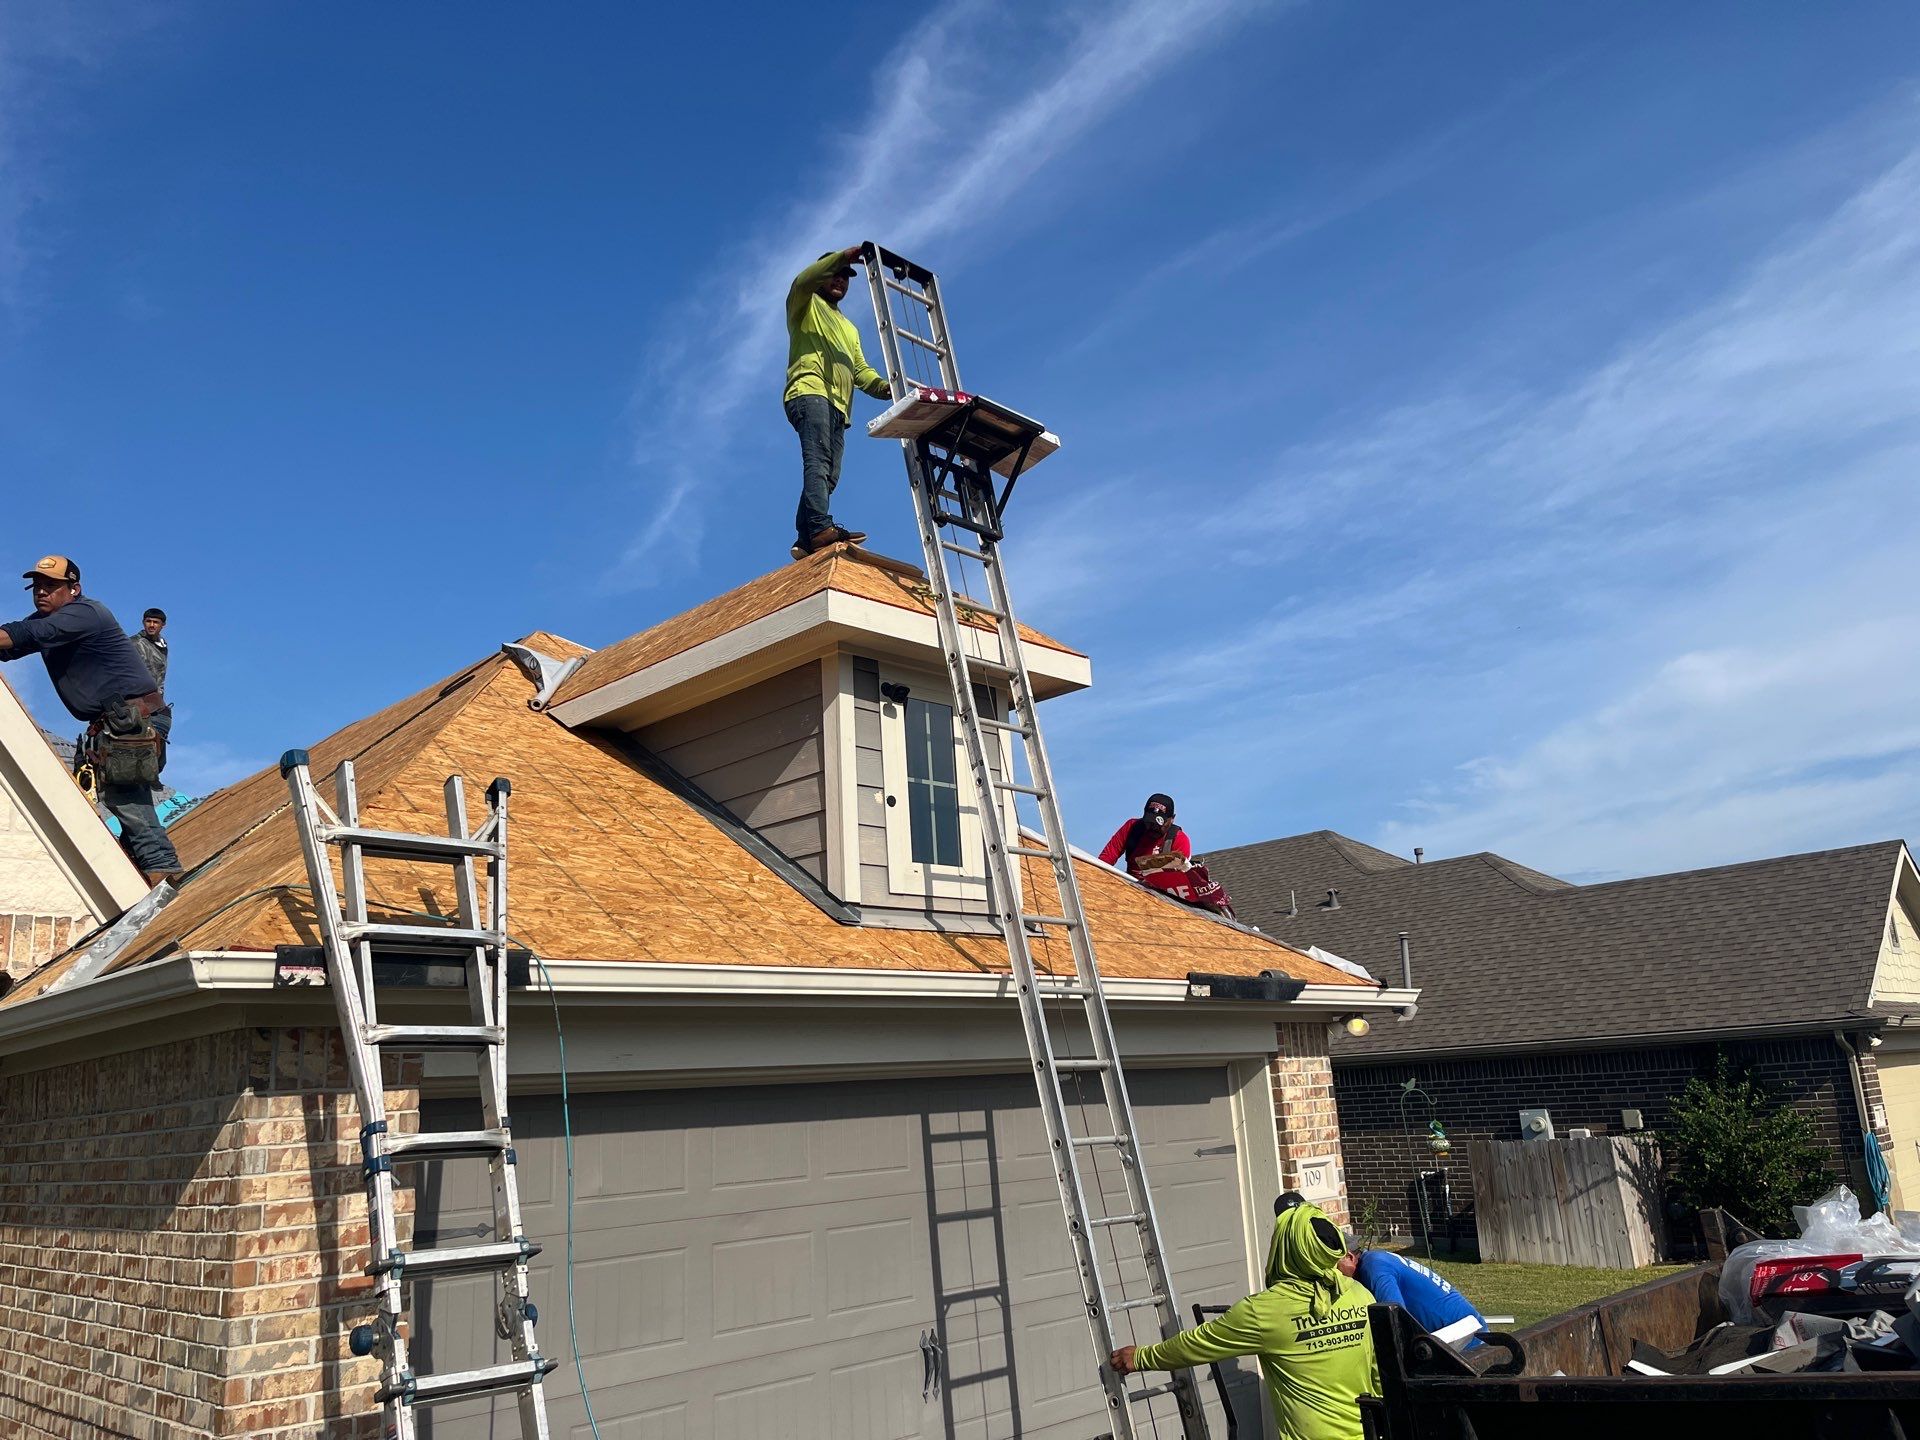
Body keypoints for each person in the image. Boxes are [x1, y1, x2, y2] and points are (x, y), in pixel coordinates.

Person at [1110, 1196, 1378, 1440]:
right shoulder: (1359, 1294)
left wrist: (1141, 1357)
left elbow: (1196, 1345)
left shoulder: (1265, 1312)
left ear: (1285, 1247)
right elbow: (1380, 1372)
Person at [0, 556, 182, 882]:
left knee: (126, 799)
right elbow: (12, 643)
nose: (41, 592)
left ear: (74, 589)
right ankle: (143, 880)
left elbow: (24, 633)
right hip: (119, 722)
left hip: (133, 720)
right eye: (37, 586)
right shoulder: (51, 622)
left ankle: (164, 876)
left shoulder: (85, 614)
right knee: (123, 802)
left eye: (51, 586)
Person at [785, 245, 892, 560]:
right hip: (809, 390)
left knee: (829, 474)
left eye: (846, 278)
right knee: (817, 462)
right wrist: (843, 257)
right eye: (835, 275)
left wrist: (888, 389)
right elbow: (801, 281)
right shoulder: (804, 304)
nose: (841, 281)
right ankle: (819, 527)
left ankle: (806, 539)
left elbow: (861, 371)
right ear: (821, 277)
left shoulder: (849, 328)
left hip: (839, 407)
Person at [1338, 1239, 1488, 1348]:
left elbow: (1395, 1317)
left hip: (1461, 1337)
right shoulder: (1377, 1258)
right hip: (1466, 1326)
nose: (1333, 1273)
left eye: (1333, 1266)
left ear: (1350, 1257)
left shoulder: (1373, 1267)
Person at [1098, 793, 1190, 876]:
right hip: (1130, 885)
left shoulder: (1179, 840)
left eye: (1159, 824)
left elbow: (1179, 879)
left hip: (1161, 891)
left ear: (1172, 819)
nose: (1153, 828)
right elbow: (1106, 859)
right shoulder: (1132, 827)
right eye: (1150, 822)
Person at [130, 607, 169, 694]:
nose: (151, 625)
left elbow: (160, 677)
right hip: (136, 694)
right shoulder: (134, 643)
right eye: (148, 621)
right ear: (143, 622)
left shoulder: (162, 646)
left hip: (154, 698)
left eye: (155, 622)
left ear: (163, 625)